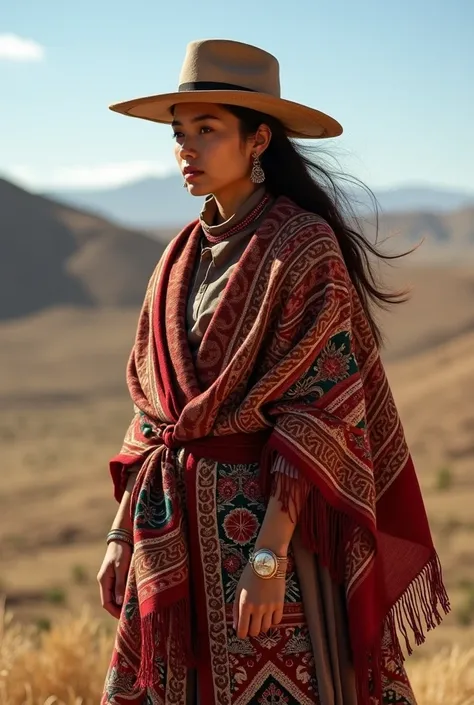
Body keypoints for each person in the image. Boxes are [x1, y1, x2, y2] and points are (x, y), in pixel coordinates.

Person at [97, 39, 449, 705]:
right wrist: (120, 533)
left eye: (208, 130)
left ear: (258, 140)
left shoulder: (304, 246)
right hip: (171, 534)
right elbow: (153, 412)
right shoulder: (177, 259)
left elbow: (320, 407)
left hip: (266, 542)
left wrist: (267, 558)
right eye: (179, 133)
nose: (186, 150)